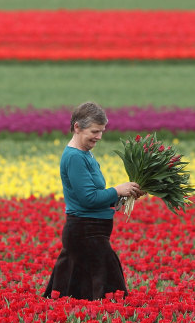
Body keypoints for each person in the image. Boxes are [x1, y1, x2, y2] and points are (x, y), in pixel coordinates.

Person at [43, 102, 144, 300]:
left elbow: (98, 197)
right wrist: (117, 190)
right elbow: (88, 199)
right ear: (77, 128)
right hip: (85, 233)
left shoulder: (86, 154)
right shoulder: (74, 158)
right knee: (102, 296)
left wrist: (125, 196)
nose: (99, 136)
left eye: (101, 131)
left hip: (93, 232)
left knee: (92, 297)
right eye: (95, 131)